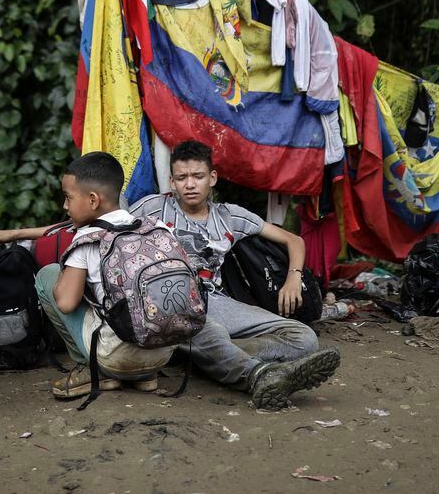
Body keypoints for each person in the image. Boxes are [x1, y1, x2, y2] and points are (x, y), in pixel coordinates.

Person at [130, 140, 339, 410]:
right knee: (208, 331)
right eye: (182, 178)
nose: (190, 184)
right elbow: (110, 229)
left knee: (304, 338)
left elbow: (294, 241)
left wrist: (293, 277)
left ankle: (210, 354)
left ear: (212, 178)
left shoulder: (229, 216)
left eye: (198, 176)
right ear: (172, 181)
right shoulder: (153, 208)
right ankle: (260, 375)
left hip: (216, 302)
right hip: (170, 301)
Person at [34, 152, 174, 399]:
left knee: (48, 274)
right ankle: (146, 376)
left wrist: (67, 273)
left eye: (68, 197)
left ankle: (89, 368)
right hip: (163, 352)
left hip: (115, 358)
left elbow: (66, 304)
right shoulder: (157, 227)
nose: (65, 206)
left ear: (92, 200)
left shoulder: (87, 239)